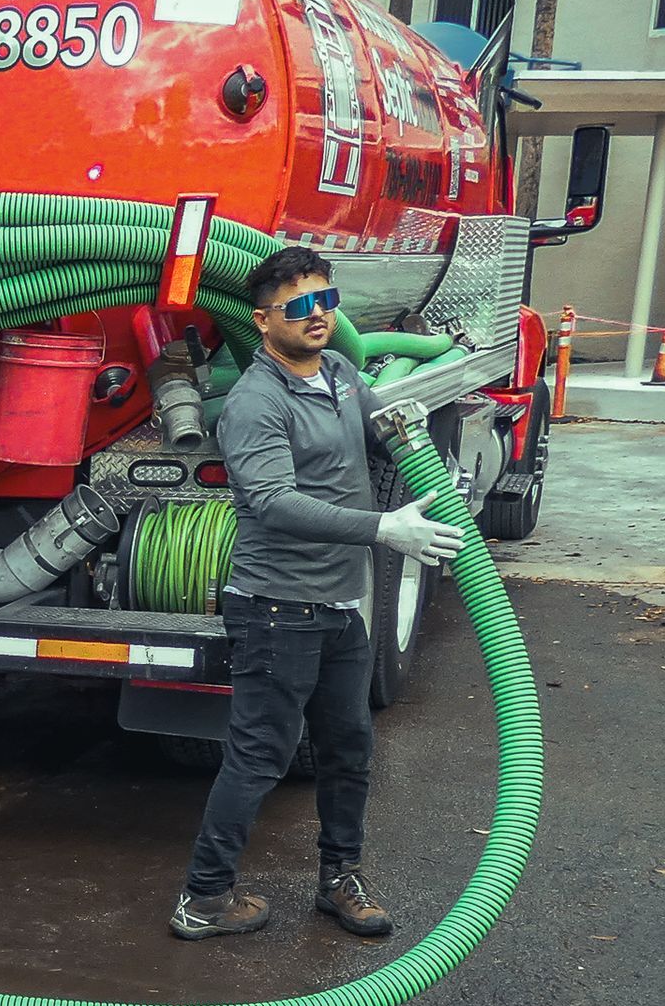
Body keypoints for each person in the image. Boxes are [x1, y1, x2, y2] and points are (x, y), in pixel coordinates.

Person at [170, 246, 464, 942]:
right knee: (260, 757)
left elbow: (377, 436)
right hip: (276, 610)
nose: (319, 316)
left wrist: (413, 440)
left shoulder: (338, 372)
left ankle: (340, 879)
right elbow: (272, 501)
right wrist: (382, 527)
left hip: (337, 608)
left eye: (327, 301)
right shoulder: (254, 403)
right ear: (263, 319)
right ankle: (203, 898)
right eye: (300, 306)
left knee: (349, 747)